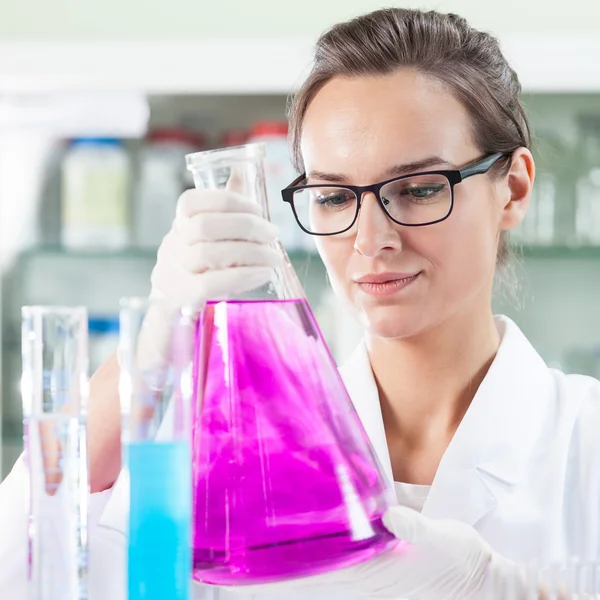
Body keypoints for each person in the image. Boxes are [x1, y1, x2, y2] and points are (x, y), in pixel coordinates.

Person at [2, 7, 600, 600]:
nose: (371, 239)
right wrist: (152, 343)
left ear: (514, 189)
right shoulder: (239, 453)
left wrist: (503, 591)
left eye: (419, 189)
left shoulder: (586, 443)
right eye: (335, 197)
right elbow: (27, 568)